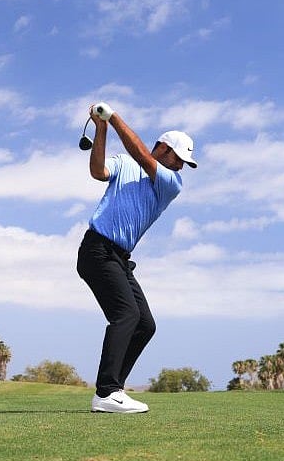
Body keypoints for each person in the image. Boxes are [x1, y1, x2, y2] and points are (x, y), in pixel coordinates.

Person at [77, 102, 197, 413]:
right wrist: (101, 127)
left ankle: (113, 389)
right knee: (126, 315)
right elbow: (97, 171)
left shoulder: (171, 183)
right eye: (179, 158)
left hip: (118, 257)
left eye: (185, 162)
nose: (182, 166)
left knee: (145, 324)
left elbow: (141, 155)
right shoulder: (123, 164)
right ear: (163, 148)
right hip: (96, 249)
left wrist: (113, 117)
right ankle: (106, 393)